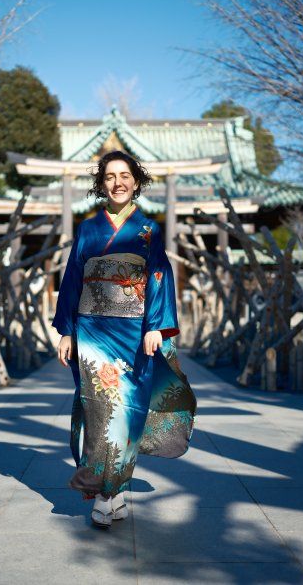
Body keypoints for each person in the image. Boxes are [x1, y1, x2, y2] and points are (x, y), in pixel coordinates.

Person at [52, 150, 197, 528]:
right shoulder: (87, 229)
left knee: (129, 412)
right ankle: (103, 494)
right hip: (93, 330)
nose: (118, 182)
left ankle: (114, 490)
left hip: (134, 331)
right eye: (110, 176)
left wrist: (156, 325)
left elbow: (160, 275)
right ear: (102, 184)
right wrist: (67, 330)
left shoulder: (149, 228)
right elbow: (71, 279)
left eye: (124, 175)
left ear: (136, 181)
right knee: (100, 408)